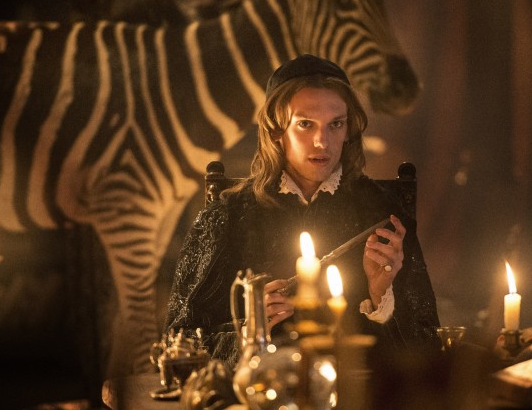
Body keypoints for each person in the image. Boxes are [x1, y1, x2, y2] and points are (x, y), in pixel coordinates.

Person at [165, 54, 440, 367]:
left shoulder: (383, 216)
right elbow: (176, 347)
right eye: (305, 124)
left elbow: (428, 350)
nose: (322, 141)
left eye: (336, 124)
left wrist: (381, 298)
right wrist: (249, 333)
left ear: (349, 129)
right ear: (276, 129)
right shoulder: (227, 217)